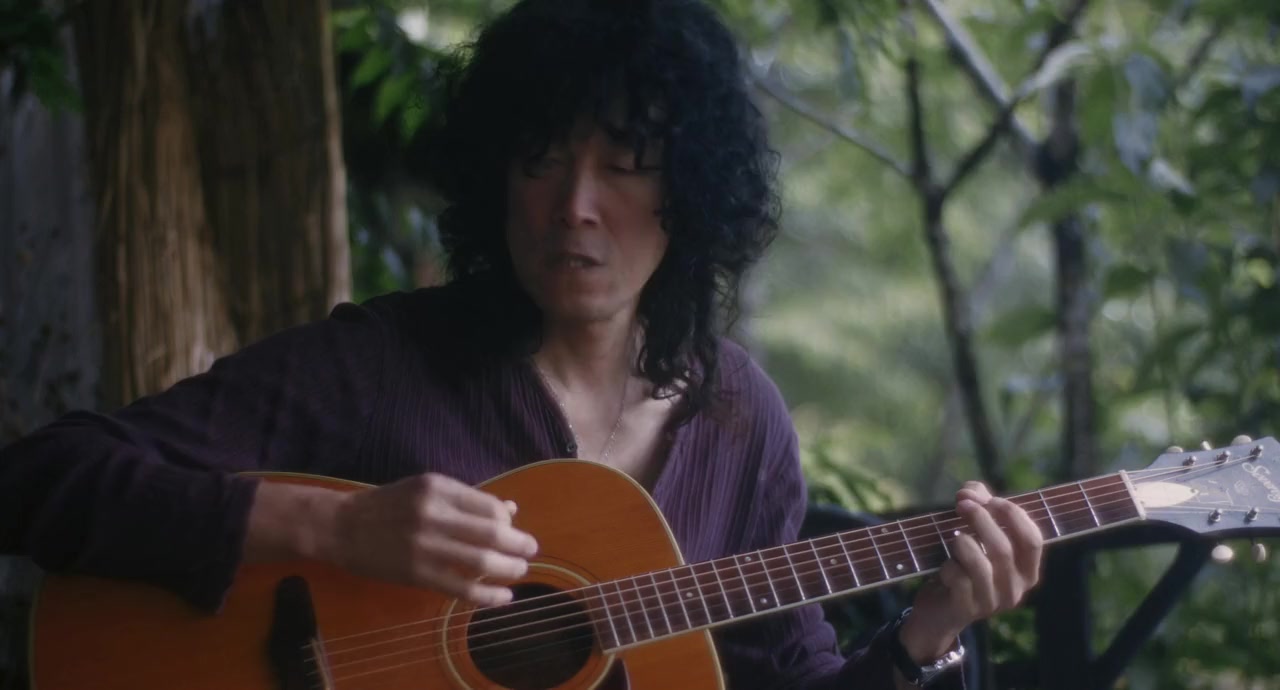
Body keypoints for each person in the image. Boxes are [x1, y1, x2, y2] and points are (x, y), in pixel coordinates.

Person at [0, 0, 1043, 687]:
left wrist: (927, 634)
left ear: (690, 193)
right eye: (540, 158)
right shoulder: (379, 366)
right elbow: (38, 481)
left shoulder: (736, 417)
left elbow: (785, 677)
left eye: (624, 164)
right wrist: (334, 527)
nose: (574, 204)